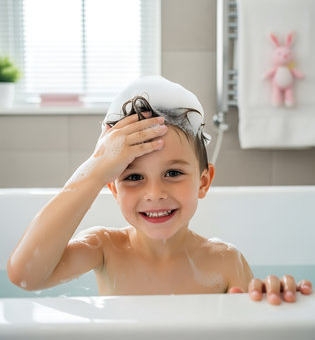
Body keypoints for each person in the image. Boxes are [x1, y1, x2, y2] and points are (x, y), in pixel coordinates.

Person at [7, 76, 312, 305]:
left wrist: (275, 295)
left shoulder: (225, 261)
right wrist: (94, 170)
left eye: (173, 173)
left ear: (203, 182)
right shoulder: (104, 249)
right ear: (112, 188)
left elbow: (251, 339)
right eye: (133, 177)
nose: (154, 193)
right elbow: (25, 275)